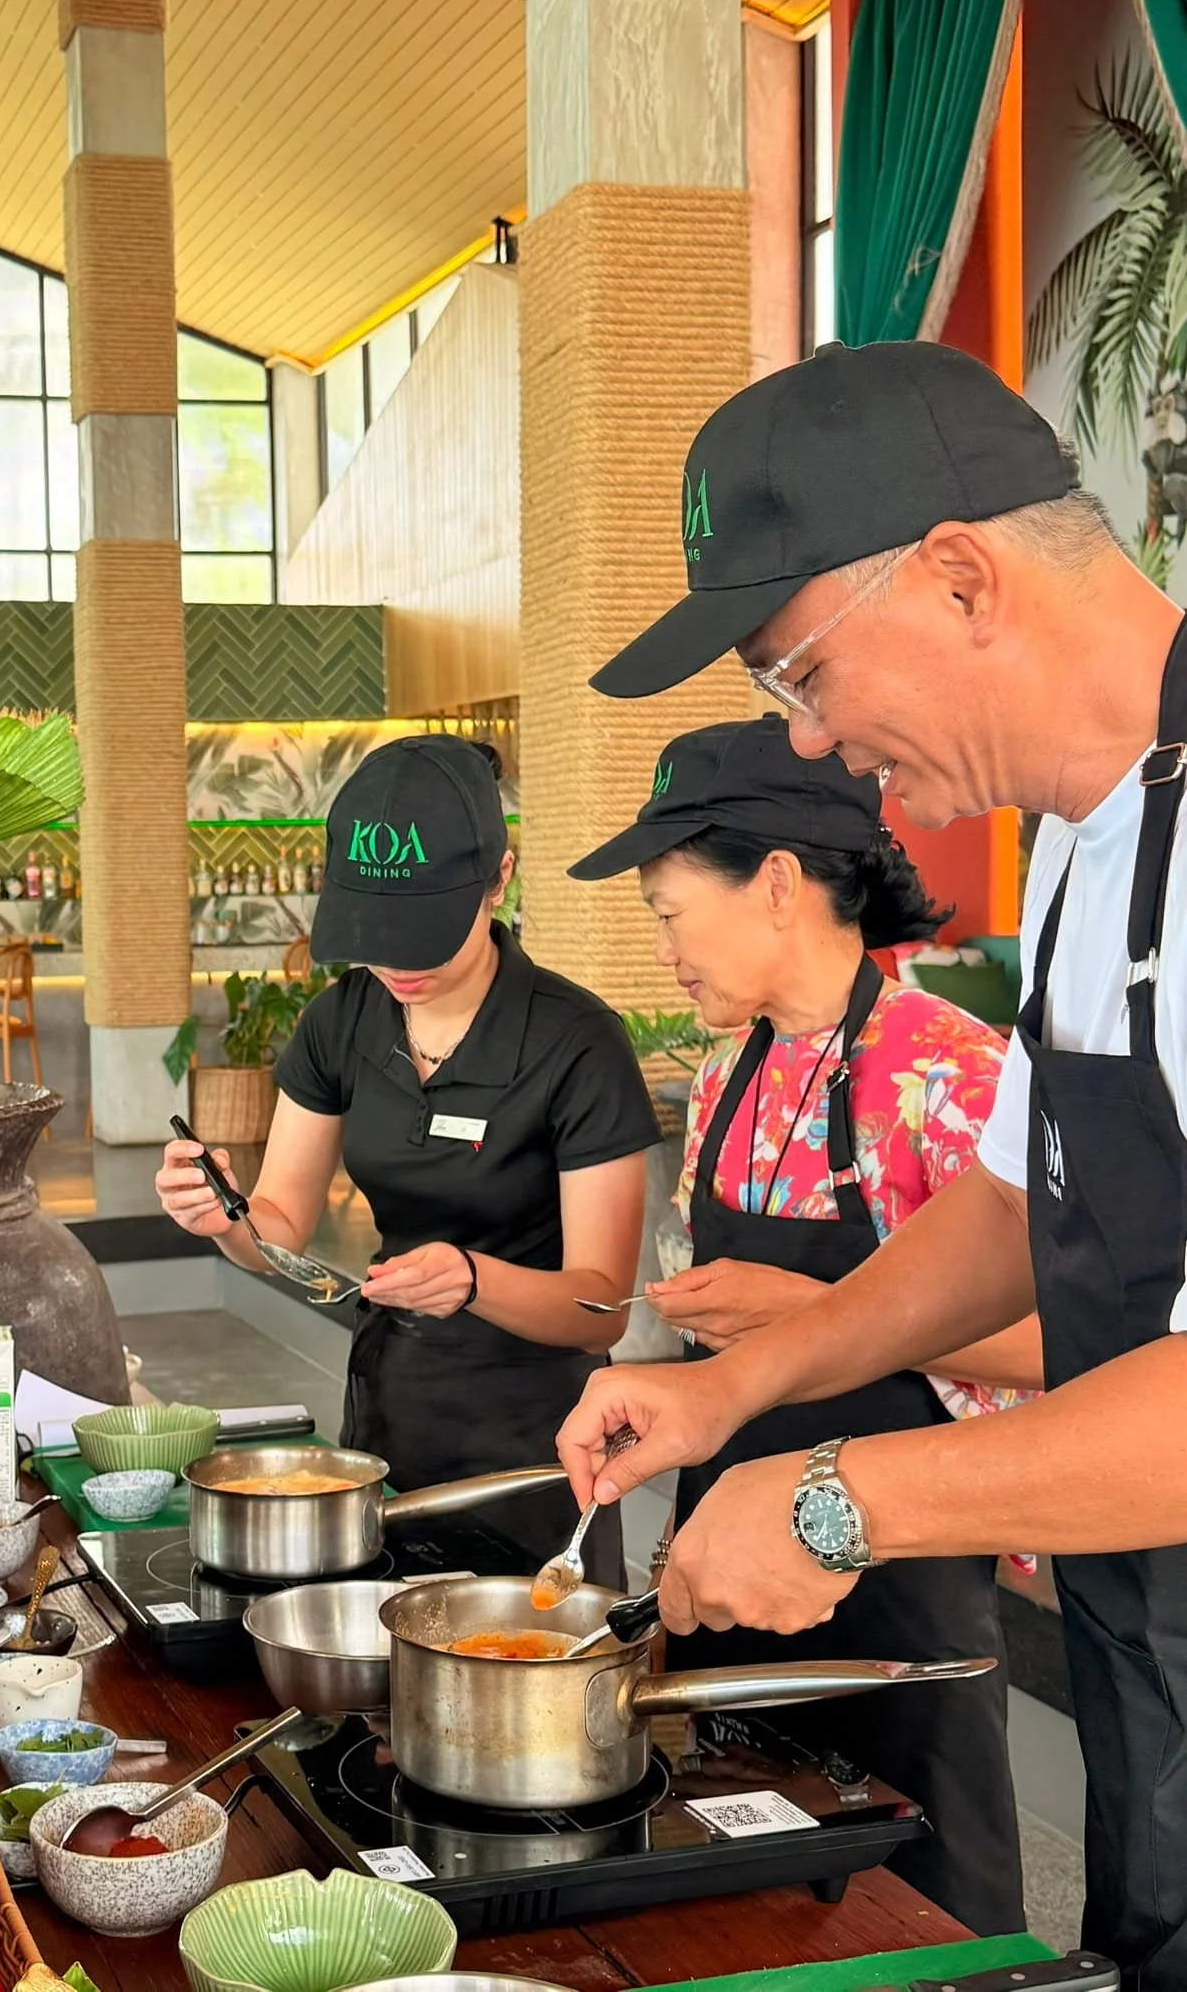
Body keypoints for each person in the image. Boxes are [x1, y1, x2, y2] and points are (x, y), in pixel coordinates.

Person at [555, 338, 1187, 1989]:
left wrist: (849, 1500)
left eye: (799, 675)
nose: (820, 745)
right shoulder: (1089, 842)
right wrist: (734, 1392)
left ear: (960, 577)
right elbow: (1011, 1202)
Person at [567, 712, 1040, 1931]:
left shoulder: (949, 1068)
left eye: (670, 911)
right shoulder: (726, 1070)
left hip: (897, 1577)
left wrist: (813, 1310)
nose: (663, 947)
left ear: (775, 883)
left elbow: (1062, 1343)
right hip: (727, 1555)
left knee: (917, 1900)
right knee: (743, 1884)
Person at [157, 732, 658, 1568]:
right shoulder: (340, 1021)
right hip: (389, 1409)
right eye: (375, 930)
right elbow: (276, 1228)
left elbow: (601, 1308)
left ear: (499, 879)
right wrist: (223, 1216)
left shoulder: (575, 1042)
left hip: (540, 1434)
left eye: (423, 931)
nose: (396, 962)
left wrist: (473, 1280)